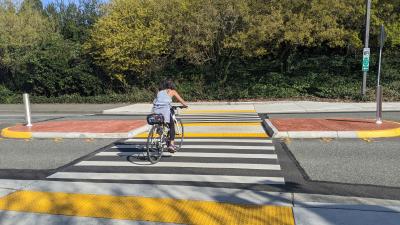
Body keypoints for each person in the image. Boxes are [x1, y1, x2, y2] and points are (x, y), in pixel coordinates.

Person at [152, 79, 188, 152]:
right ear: (172, 85)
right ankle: (171, 144)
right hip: (165, 111)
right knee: (172, 125)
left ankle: (160, 132)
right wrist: (185, 105)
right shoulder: (172, 91)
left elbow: (156, 101)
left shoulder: (159, 92)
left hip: (155, 111)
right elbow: (182, 102)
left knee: (161, 123)